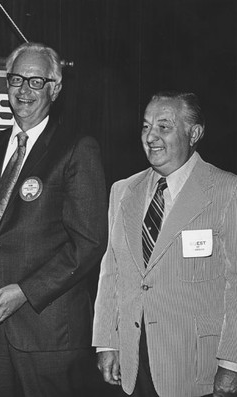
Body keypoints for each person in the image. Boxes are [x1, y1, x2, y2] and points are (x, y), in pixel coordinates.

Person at [0, 42, 107, 396]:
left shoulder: (76, 148)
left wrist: (26, 292)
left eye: (36, 81)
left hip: (49, 332)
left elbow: (89, 243)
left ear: (54, 89)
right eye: (16, 79)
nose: (23, 90)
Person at [93, 91, 237, 397]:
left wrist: (232, 362)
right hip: (135, 363)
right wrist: (107, 342)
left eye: (163, 127)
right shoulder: (123, 191)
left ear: (194, 133)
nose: (151, 137)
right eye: (145, 127)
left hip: (197, 367)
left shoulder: (227, 190)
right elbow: (111, 272)